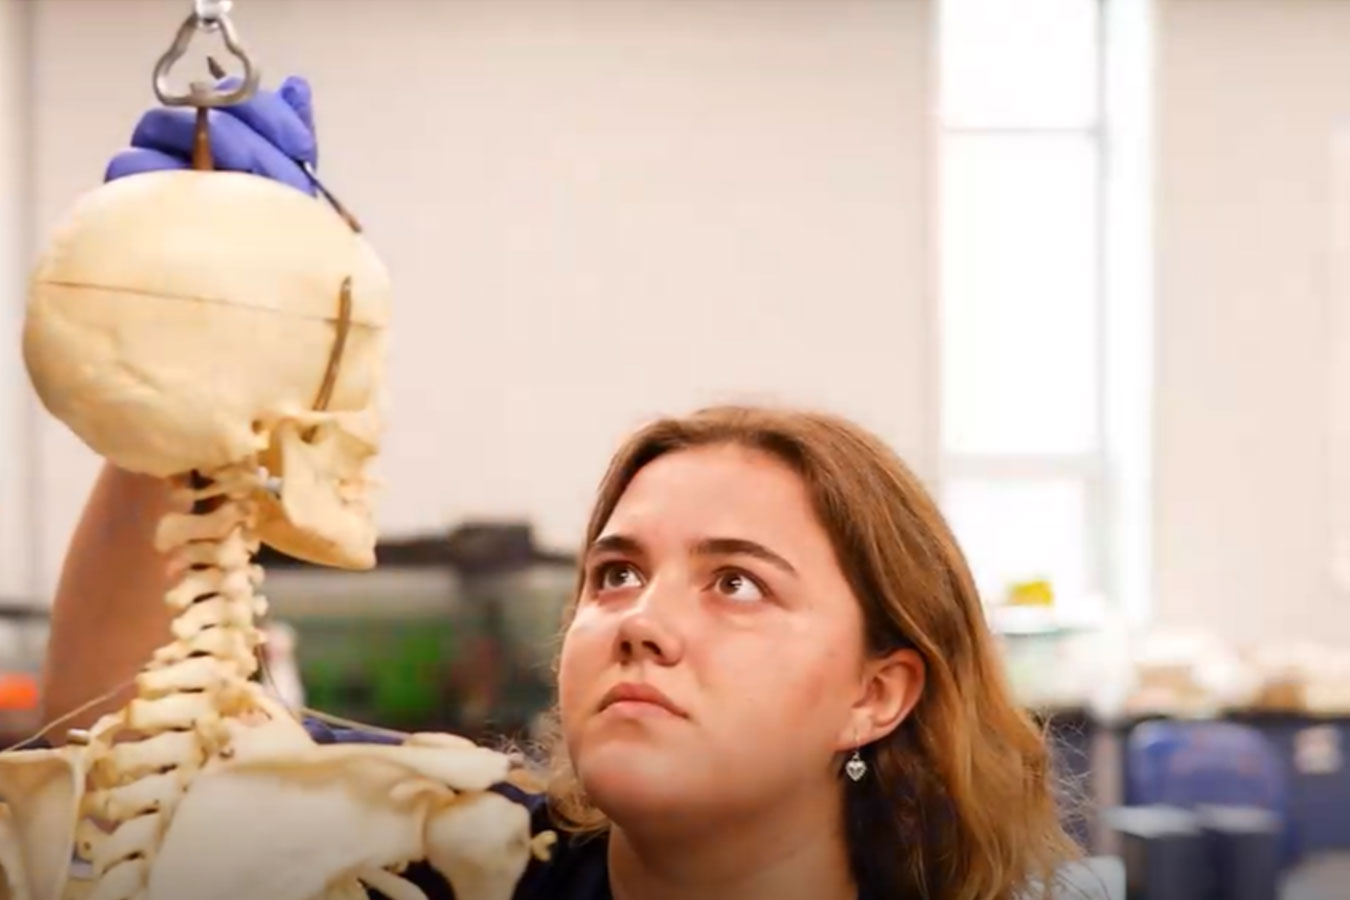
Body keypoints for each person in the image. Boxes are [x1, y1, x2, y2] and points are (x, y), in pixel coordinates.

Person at [43, 78, 1087, 900]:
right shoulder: (454, 851)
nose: (641, 623)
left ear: (876, 694)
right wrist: (186, 363)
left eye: (736, 584)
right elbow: (131, 763)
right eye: (616, 574)